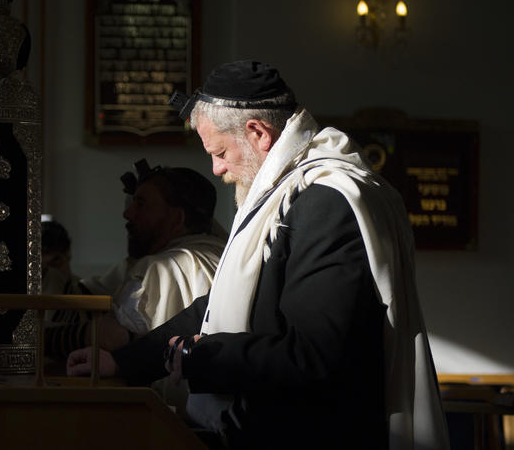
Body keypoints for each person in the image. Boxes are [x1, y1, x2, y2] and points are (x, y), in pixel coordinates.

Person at [67, 60, 449, 449]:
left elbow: (314, 355)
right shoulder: (288, 195)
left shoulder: (325, 203)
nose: (216, 169)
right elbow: (215, 306)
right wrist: (124, 362)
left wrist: (203, 356)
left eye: (219, 152)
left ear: (258, 132)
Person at [45, 162, 226, 359]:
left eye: (141, 204)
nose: (127, 214)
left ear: (176, 218)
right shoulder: (221, 255)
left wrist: (33, 340)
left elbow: (111, 337)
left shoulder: (159, 267)